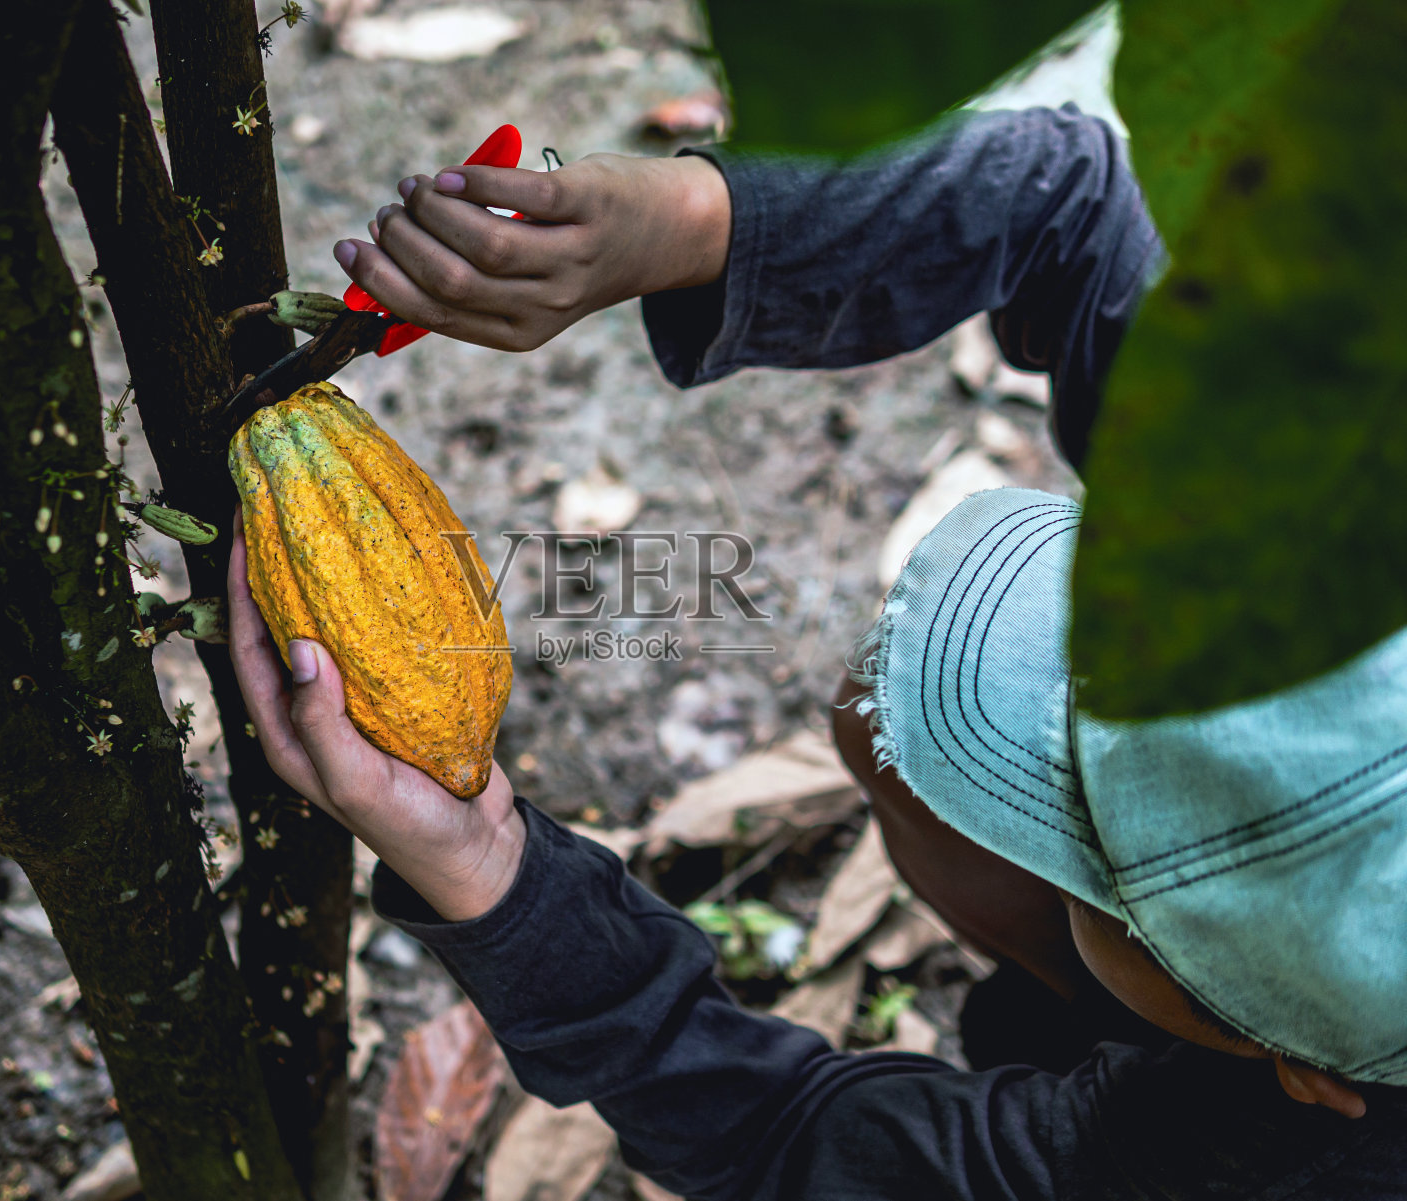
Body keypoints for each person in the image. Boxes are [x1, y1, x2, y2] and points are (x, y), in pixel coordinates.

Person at [229, 106, 1407, 1198]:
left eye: (1102, 842)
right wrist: (688, 223)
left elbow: (783, 1141)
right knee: (885, 729)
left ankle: (1109, 1046)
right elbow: (1078, 203)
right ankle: (1104, 1014)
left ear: (1301, 1069)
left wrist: (491, 875)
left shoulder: (1272, 1162)